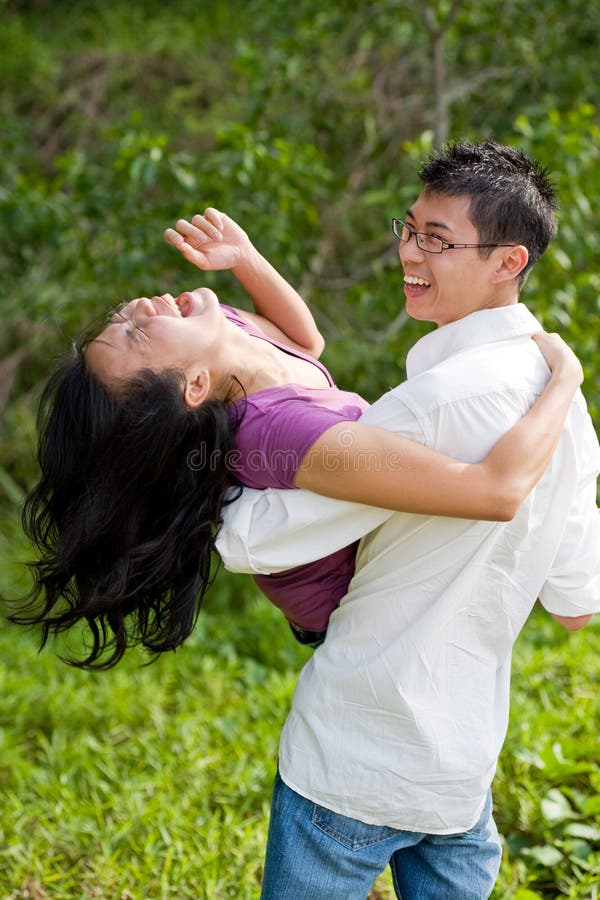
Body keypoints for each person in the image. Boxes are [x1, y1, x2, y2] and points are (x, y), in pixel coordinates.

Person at [215, 141, 600, 899]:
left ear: (507, 261)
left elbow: (253, 537)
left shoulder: (432, 403)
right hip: (460, 777)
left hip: (357, 751)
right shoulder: (569, 410)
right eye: (410, 227)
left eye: (438, 240)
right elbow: (576, 605)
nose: (408, 253)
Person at [10, 201, 580, 669]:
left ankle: (571, 588)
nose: (136, 308)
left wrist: (247, 260)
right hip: (343, 610)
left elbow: (306, 345)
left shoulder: (226, 335)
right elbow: (491, 492)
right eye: (136, 335)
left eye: (120, 317)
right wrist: (565, 380)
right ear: (195, 386)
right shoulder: (282, 431)